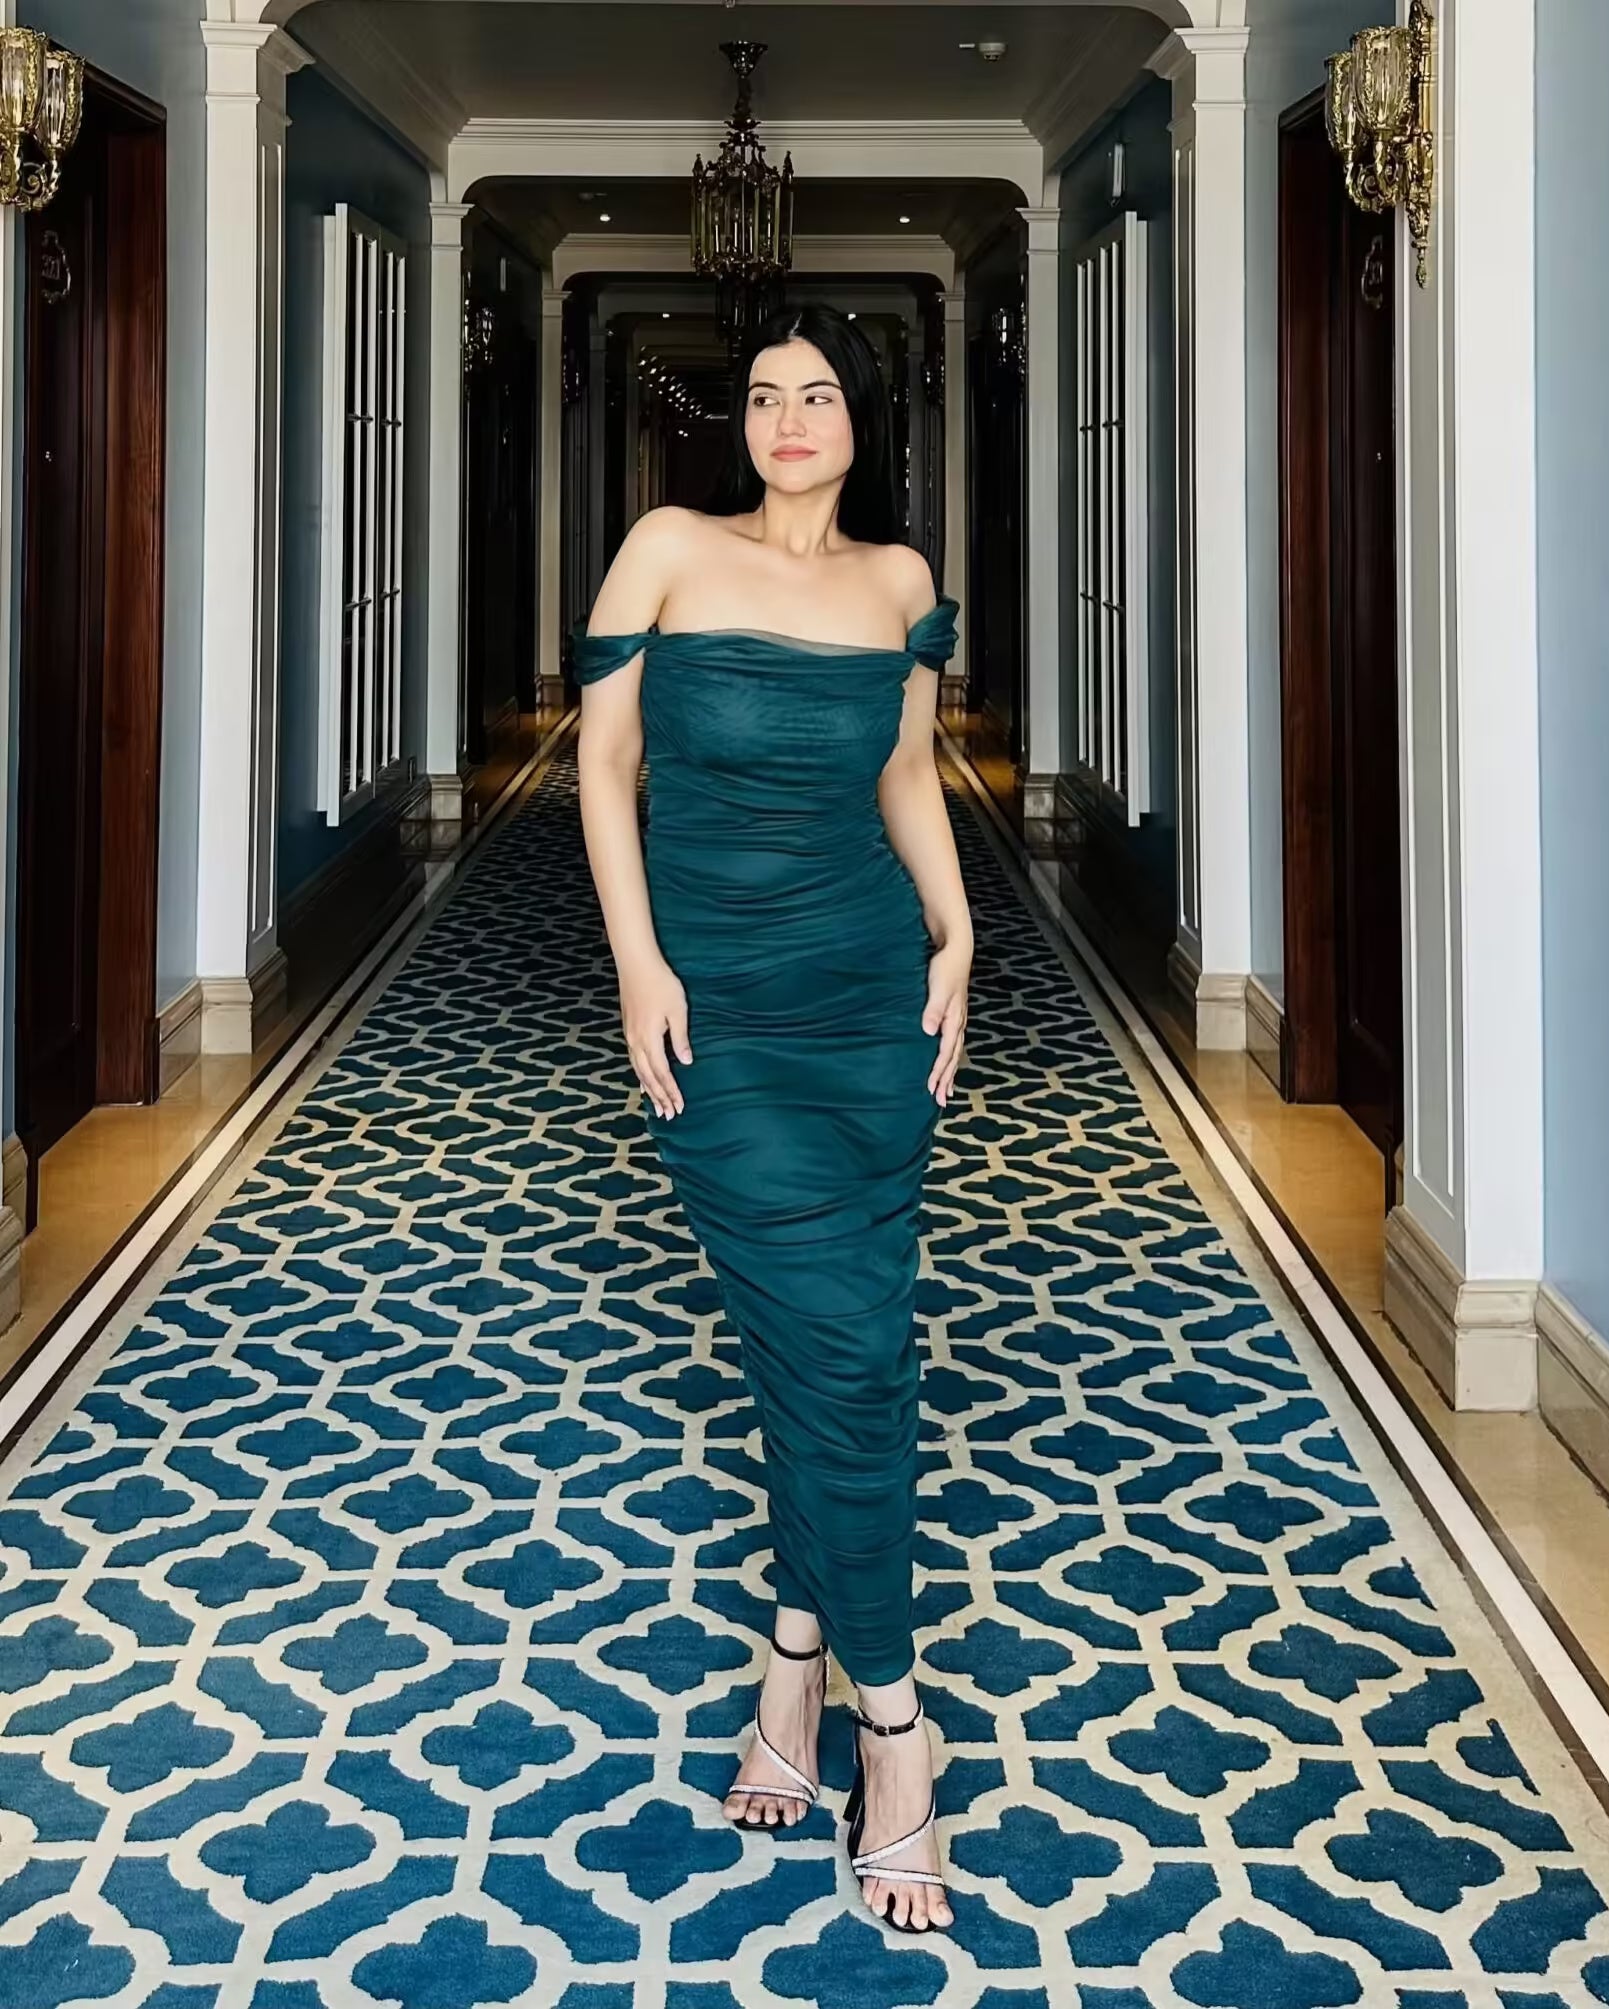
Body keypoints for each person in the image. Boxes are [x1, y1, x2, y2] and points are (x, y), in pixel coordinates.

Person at [572, 301, 972, 1935]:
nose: (787, 417)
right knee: (835, 1355)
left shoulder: (899, 585)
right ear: (734, 422)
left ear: (861, 419)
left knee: (840, 1354)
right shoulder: (667, 549)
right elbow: (604, 766)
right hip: (719, 1012)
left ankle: (798, 1667)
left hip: (865, 999)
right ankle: (901, 1730)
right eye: (760, 395)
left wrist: (958, 930)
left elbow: (905, 771)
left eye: (816, 393)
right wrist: (637, 964)